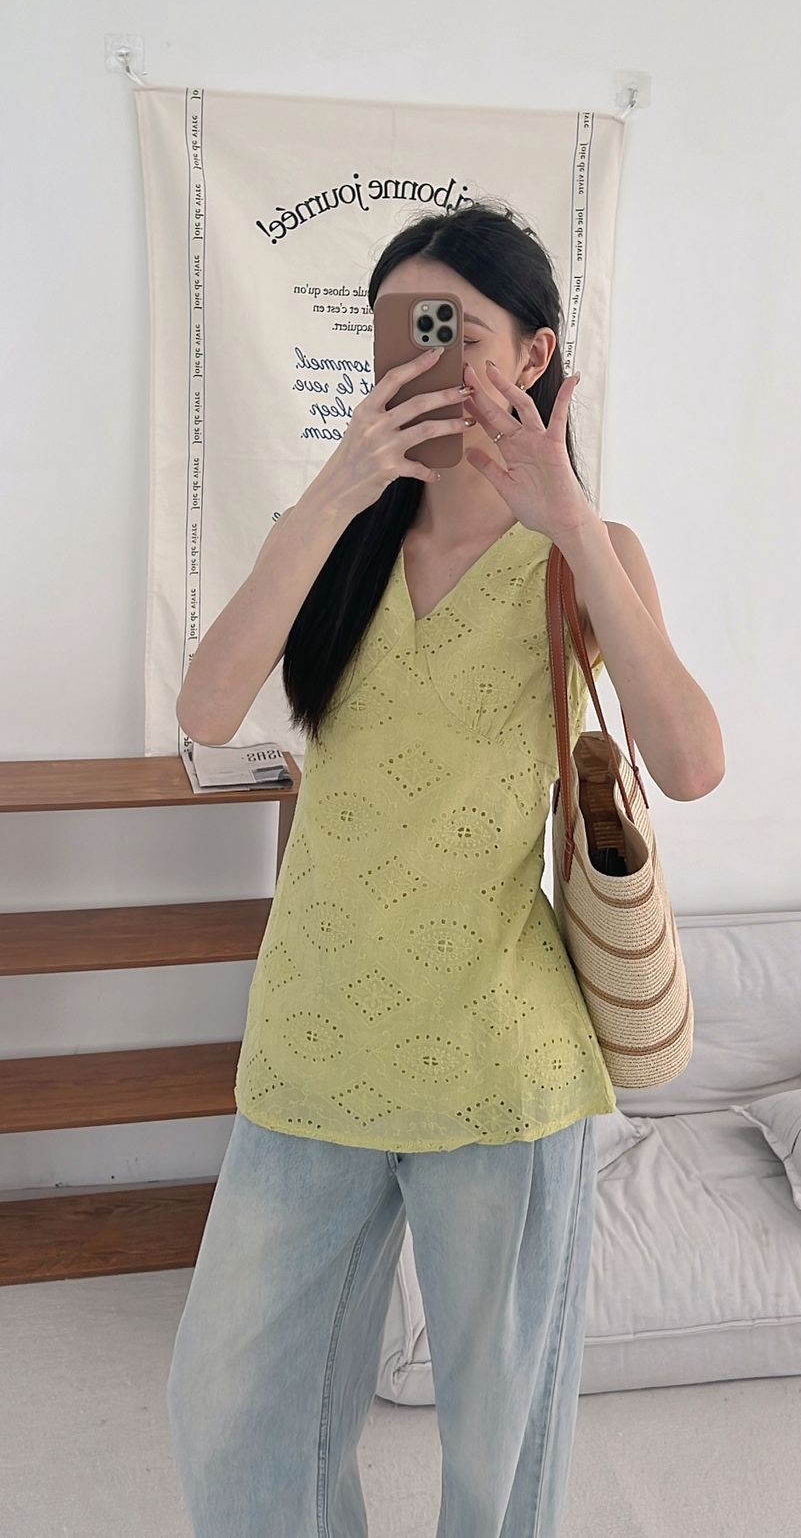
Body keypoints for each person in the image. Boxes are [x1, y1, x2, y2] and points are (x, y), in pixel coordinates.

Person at [167, 201, 723, 1537]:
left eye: (455, 331)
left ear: (534, 355)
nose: (422, 362)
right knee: (234, 1409)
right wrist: (336, 491)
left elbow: (691, 762)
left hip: (499, 1059)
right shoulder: (335, 536)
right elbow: (206, 709)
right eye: (399, 333)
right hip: (313, 1040)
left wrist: (571, 523)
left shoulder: (587, 557)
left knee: (498, 1442)